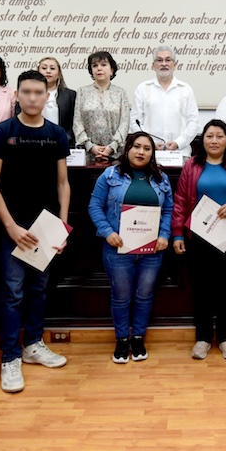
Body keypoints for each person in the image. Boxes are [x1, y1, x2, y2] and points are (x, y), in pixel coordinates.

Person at [0, 70, 72, 393]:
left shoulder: (56, 134)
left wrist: (62, 226)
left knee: (38, 289)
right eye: (27, 92)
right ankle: (10, 356)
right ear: (17, 95)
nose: (33, 98)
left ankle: (33, 345)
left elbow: (63, 184)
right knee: (12, 293)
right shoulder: (3, 132)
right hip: (10, 226)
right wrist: (11, 227)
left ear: (47, 96)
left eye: (39, 92)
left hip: (46, 227)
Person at [172, 119, 226, 360]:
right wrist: (177, 233)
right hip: (198, 237)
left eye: (220, 136)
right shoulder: (191, 165)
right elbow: (180, 201)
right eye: (210, 136)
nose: (214, 140)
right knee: (202, 290)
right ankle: (204, 338)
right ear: (203, 140)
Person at [87, 131, 173, 363]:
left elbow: (168, 210)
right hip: (118, 248)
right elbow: (94, 206)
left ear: (152, 153)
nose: (141, 152)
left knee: (144, 295)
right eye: (137, 146)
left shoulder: (161, 178)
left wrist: (164, 234)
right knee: (121, 296)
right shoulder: (109, 175)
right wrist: (107, 232)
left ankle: (138, 337)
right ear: (127, 149)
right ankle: (122, 339)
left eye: (147, 148)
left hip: (151, 250)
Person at [132, 45, 199, 151]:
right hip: (149, 152)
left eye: (168, 60)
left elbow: (194, 122)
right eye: (159, 60)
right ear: (153, 65)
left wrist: (178, 143)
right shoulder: (142, 88)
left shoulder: (186, 89)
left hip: (180, 151)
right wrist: (150, 144)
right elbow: (135, 122)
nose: (164, 64)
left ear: (175, 65)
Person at [74, 50, 130, 164]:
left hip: (115, 154)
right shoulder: (82, 92)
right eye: (95, 66)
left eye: (104, 65)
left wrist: (112, 146)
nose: (99, 68)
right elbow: (77, 122)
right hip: (88, 154)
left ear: (112, 70)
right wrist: (90, 146)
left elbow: (125, 122)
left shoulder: (120, 93)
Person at [38, 55, 77, 148]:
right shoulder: (28, 93)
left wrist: (65, 139)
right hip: (35, 143)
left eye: (52, 68)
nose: (48, 71)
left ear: (59, 73)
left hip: (62, 143)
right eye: (44, 68)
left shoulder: (70, 95)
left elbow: (74, 123)